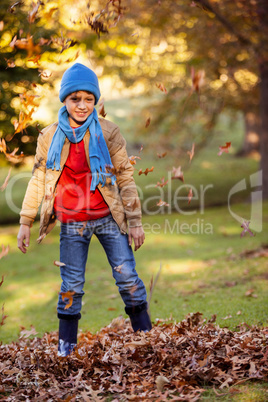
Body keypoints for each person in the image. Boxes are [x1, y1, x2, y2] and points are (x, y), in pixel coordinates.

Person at [17, 63, 152, 357]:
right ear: (64, 100)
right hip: (72, 223)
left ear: (96, 100)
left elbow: (125, 177)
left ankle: (147, 342)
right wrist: (26, 220)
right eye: (75, 98)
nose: (82, 105)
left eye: (88, 99)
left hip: (108, 219)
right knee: (71, 286)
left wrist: (135, 221)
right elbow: (39, 178)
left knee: (128, 277)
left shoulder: (108, 132)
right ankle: (66, 352)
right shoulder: (49, 136)